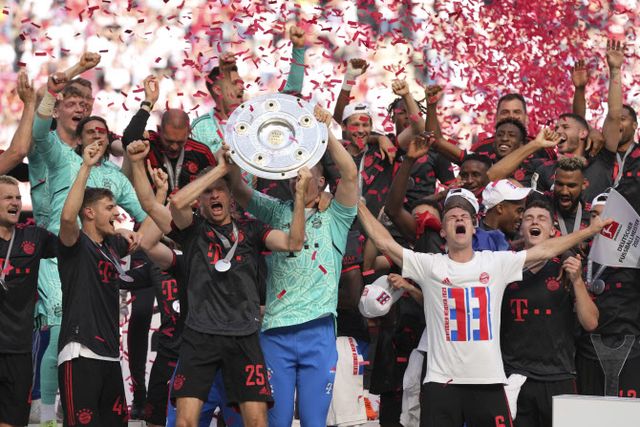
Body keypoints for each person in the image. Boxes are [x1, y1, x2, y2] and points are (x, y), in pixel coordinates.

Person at [356, 177, 611, 427]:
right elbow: (384, 242)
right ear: (443, 230)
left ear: (474, 227)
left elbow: (545, 250)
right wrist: (355, 201)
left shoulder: (495, 262)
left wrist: (590, 231)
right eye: (452, 216)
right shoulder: (429, 265)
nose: (459, 219)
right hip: (441, 381)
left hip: (488, 381)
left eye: (464, 216)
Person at [128, 137, 309, 427]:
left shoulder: (251, 229)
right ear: (199, 201)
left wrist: (299, 197)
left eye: (220, 190)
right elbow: (170, 202)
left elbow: (294, 242)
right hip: (200, 336)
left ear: (230, 196)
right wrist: (217, 169)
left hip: (244, 336)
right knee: (185, 422)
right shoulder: (192, 229)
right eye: (207, 192)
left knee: (257, 423)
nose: (215, 196)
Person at [227, 105, 359, 426]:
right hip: (276, 332)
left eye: (304, 170)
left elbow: (350, 174)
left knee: (314, 421)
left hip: (318, 332)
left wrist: (326, 133)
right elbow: (240, 190)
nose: (296, 178)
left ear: (321, 180)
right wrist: (234, 152)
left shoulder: (337, 216)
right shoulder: (277, 211)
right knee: (278, 421)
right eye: (291, 172)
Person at [30, 54, 102, 427]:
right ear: (58, 109)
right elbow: (37, 124)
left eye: (84, 104)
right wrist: (72, 71)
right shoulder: (45, 144)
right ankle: (45, 414)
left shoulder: (84, 155)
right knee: (59, 327)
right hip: (46, 248)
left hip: (80, 251)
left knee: (76, 332)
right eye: (71, 103)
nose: (79, 109)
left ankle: (63, 404)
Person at [57, 142, 144, 426]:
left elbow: (151, 230)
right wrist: (86, 166)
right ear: (89, 213)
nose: (116, 214)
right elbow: (67, 217)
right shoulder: (75, 244)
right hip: (80, 352)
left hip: (110, 356)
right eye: (109, 208)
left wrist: (141, 168)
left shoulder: (112, 246)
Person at [501, 199, 599, 426]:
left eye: (541, 218)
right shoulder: (505, 267)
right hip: (516, 375)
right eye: (529, 218)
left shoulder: (567, 269)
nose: (535, 222)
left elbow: (591, 322)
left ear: (553, 230)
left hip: (559, 375)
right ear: (521, 229)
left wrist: (577, 281)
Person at [0, 175, 58, 427]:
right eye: (8, 197)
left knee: (13, 421)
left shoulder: (33, 238)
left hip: (19, 350)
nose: (15, 202)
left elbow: (73, 242)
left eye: (17, 197)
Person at [121, 76, 216, 193]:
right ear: (159, 130)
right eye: (169, 141)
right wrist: (148, 102)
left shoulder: (201, 152)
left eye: (180, 142)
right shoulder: (149, 144)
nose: (174, 147)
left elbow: (217, 184)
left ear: (189, 132)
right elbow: (128, 138)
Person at [480, 179, 531, 244]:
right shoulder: (476, 241)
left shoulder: (516, 237)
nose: (521, 217)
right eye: (519, 211)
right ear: (500, 208)